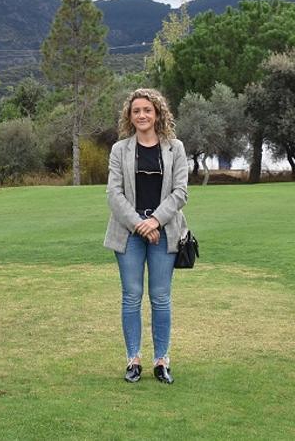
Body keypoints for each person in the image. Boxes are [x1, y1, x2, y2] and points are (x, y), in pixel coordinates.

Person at [104, 88, 189, 384]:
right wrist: (140, 224)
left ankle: (162, 360)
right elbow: (113, 194)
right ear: (129, 115)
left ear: (158, 114)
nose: (142, 115)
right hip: (128, 234)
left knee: (161, 297)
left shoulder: (174, 148)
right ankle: (133, 360)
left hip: (165, 232)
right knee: (131, 296)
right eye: (136, 110)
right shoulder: (120, 149)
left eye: (147, 110)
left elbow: (181, 192)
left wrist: (154, 221)